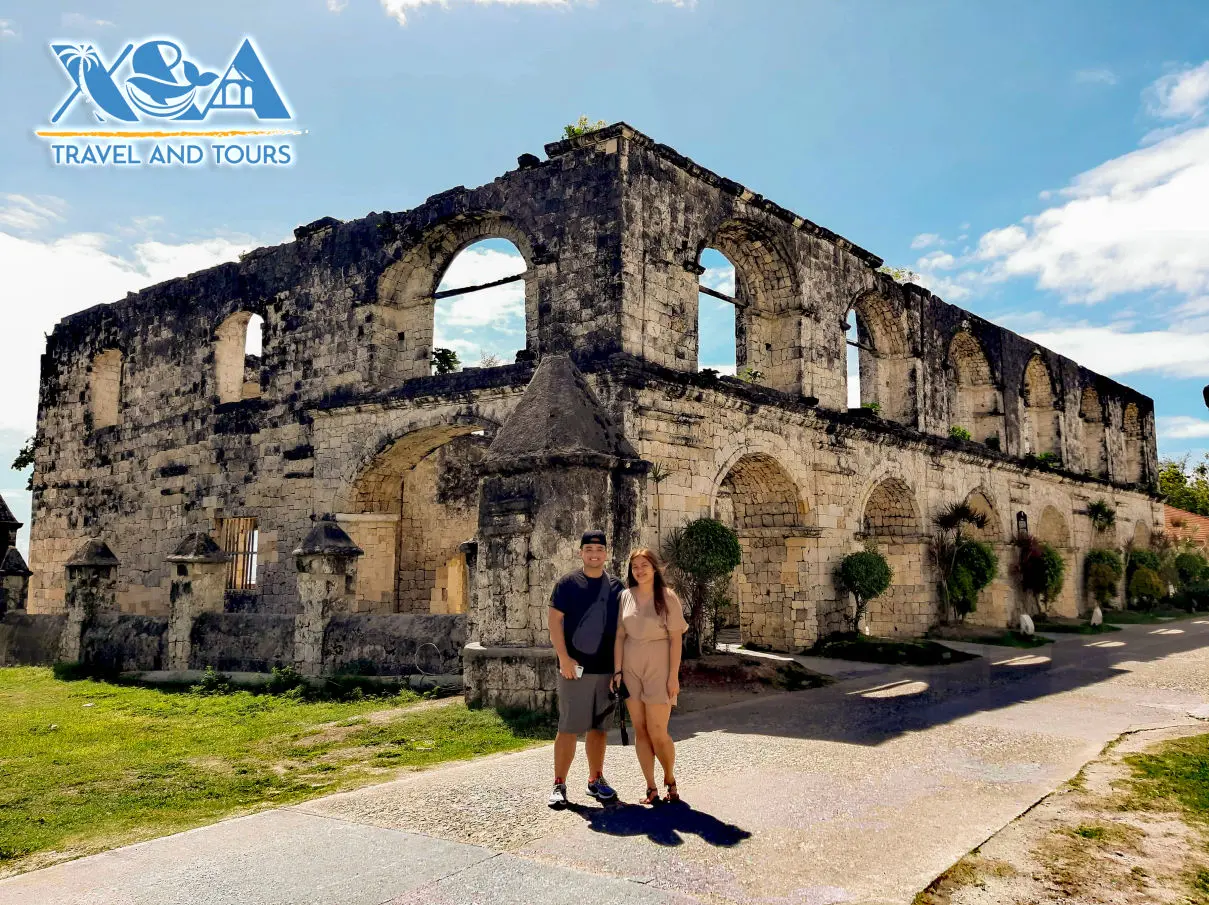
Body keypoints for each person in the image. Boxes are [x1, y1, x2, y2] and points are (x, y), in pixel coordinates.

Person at [547, 529, 625, 808]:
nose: (594, 555)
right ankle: (559, 783)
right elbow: (554, 622)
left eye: (599, 550)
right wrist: (563, 658)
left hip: (605, 670)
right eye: (589, 550)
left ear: (606, 554)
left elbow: (621, 632)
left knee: (599, 729)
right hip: (574, 669)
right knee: (568, 727)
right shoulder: (567, 584)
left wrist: (619, 670)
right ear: (581, 552)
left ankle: (595, 779)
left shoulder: (617, 588)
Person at [612, 547, 688, 805]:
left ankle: (670, 777)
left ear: (655, 568)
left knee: (658, 731)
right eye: (635, 567)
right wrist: (618, 670)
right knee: (640, 729)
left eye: (644, 565)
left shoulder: (668, 597)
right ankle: (651, 786)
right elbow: (620, 636)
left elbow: (676, 640)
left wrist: (673, 677)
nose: (640, 570)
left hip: (659, 668)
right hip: (631, 669)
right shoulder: (625, 596)